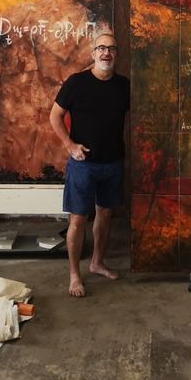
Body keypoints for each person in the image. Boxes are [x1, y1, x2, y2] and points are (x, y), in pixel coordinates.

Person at [49, 31, 130, 297]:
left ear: (116, 54)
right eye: (101, 48)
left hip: (113, 163)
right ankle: (75, 275)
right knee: (78, 219)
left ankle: (97, 263)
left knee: (105, 215)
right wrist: (70, 146)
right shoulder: (77, 83)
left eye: (112, 48)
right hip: (83, 165)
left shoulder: (124, 86)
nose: (106, 53)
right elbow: (55, 116)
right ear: (93, 53)